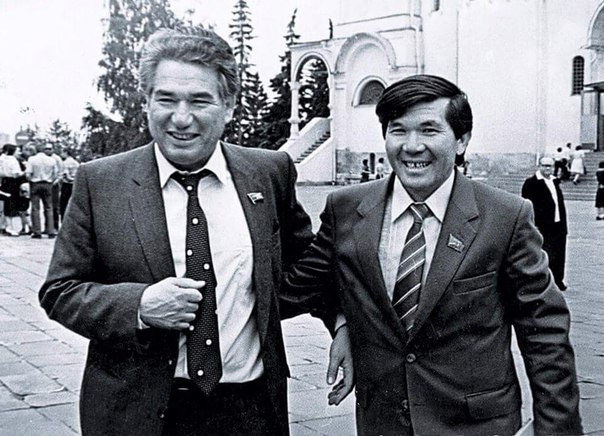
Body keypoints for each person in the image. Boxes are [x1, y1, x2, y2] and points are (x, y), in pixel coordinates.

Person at [38, 28, 348, 436]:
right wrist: (140, 305)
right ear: (146, 102)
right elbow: (60, 291)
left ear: (229, 106)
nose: (181, 118)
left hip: (249, 411)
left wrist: (340, 322)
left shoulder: (268, 172)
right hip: (139, 413)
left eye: (200, 101)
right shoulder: (101, 182)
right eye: (166, 99)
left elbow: (305, 267)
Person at [285, 75, 582, 435]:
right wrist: (342, 321)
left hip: (476, 426)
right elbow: (300, 287)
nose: (412, 146)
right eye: (398, 130)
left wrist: (557, 429)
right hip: (383, 422)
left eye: (429, 130)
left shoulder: (505, 216)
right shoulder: (346, 209)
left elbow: (545, 333)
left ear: (461, 140)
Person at [521, 156, 568, 290]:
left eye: (550, 166)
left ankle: (558, 280)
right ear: (539, 166)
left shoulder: (554, 181)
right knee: (545, 253)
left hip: (558, 224)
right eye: (545, 165)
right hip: (543, 225)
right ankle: (543, 282)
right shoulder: (531, 183)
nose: (548, 168)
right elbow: (528, 206)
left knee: (559, 253)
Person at [25, 142, 60, 238]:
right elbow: (55, 174)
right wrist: (51, 181)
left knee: (35, 208)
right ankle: (50, 230)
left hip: (35, 183)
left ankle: (37, 231)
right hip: (47, 184)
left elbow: (28, 173)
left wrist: (31, 180)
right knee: (49, 207)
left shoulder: (32, 159)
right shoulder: (51, 160)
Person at [59, 148, 79, 220]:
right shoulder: (76, 163)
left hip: (67, 184)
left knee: (64, 204)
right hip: (74, 184)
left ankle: (63, 220)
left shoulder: (65, 163)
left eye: (62, 152)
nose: (61, 154)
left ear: (66, 152)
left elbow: (66, 175)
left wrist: (70, 179)